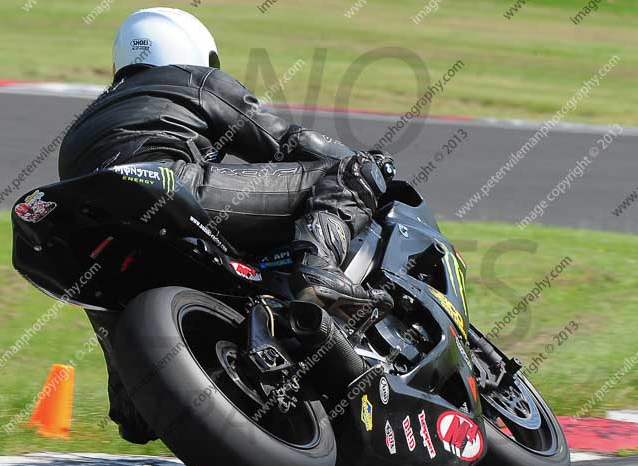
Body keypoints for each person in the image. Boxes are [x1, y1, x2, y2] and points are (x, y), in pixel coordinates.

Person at [57, 7, 395, 442]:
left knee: (108, 302)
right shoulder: (192, 79)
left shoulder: (82, 124)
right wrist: (364, 166)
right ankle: (317, 267)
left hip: (103, 233)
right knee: (352, 171)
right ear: (191, 50)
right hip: (174, 187)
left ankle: (132, 399)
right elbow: (283, 141)